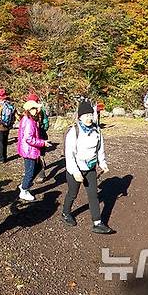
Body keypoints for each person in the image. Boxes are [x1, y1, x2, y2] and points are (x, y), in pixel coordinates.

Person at [61, 101, 114, 234]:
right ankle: (65, 212)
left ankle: (97, 223)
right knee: (73, 193)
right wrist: (75, 172)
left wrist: (102, 163)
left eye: (91, 115)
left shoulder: (97, 130)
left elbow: (100, 149)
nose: (89, 118)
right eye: (86, 115)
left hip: (90, 168)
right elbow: (69, 154)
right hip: (76, 169)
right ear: (79, 117)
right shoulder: (74, 132)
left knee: (93, 195)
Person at [17, 100, 51, 201]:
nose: (37, 110)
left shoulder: (28, 119)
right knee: (30, 172)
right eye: (35, 108)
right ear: (29, 110)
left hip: (28, 149)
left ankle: (24, 184)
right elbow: (29, 138)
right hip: (29, 150)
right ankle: (24, 190)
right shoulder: (29, 121)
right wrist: (43, 143)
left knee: (38, 167)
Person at [27, 92, 49, 182]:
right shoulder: (42, 110)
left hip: (36, 136)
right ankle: (35, 173)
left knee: (38, 155)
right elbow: (46, 124)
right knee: (39, 155)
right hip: (40, 135)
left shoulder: (30, 111)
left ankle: (41, 174)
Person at [0, 89, 14, 163]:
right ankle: (5, 156)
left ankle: (1, 158)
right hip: (7, 126)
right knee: (5, 142)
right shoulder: (10, 104)